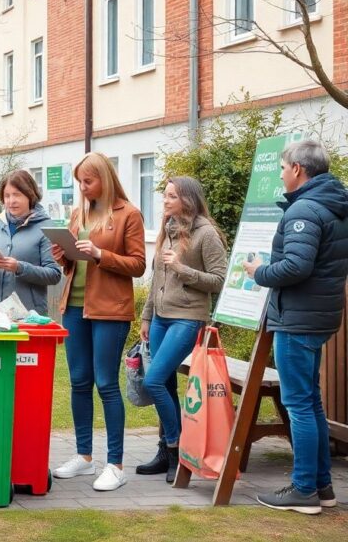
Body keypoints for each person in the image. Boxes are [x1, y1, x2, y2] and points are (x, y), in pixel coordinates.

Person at [243, 139, 348, 514]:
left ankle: (304, 489)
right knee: (310, 403)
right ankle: (322, 486)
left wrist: (259, 272)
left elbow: (296, 267)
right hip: (317, 318)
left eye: (284, 168)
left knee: (299, 406)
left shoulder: (305, 208)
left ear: (299, 169)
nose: (282, 173)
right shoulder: (333, 206)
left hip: (298, 320)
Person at [50, 152, 145, 492]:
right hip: (75, 307)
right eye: (80, 182)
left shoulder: (129, 214)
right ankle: (84, 456)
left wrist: (101, 254)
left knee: (105, 383)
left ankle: (116, 464)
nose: (83, 187)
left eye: (88, 181)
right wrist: (63, 256)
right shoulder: (80, 213)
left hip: (109, 310)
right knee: (78, 381)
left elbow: (138, 265)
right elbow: (76, 263)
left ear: (104, 178)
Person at [137, 177, 227, 483]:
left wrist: (181, 268)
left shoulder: (206, 234)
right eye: (165, 195)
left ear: (187, 199)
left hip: (187, 317)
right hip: (161, 317)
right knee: (167, 384)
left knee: (153, 380)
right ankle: (166, 453)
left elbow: (218, 280)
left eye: (171, 196)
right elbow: (156, 280)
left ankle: (177, 448)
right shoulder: (168, 230)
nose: (165, 200)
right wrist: (147, 315)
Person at [0, 169, 61, 313]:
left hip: (29, 315)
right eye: (7, 196)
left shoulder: (46, 227)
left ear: (30, 195)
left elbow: (54, 274)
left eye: (16, 195)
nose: (11, 201)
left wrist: (19, 268)